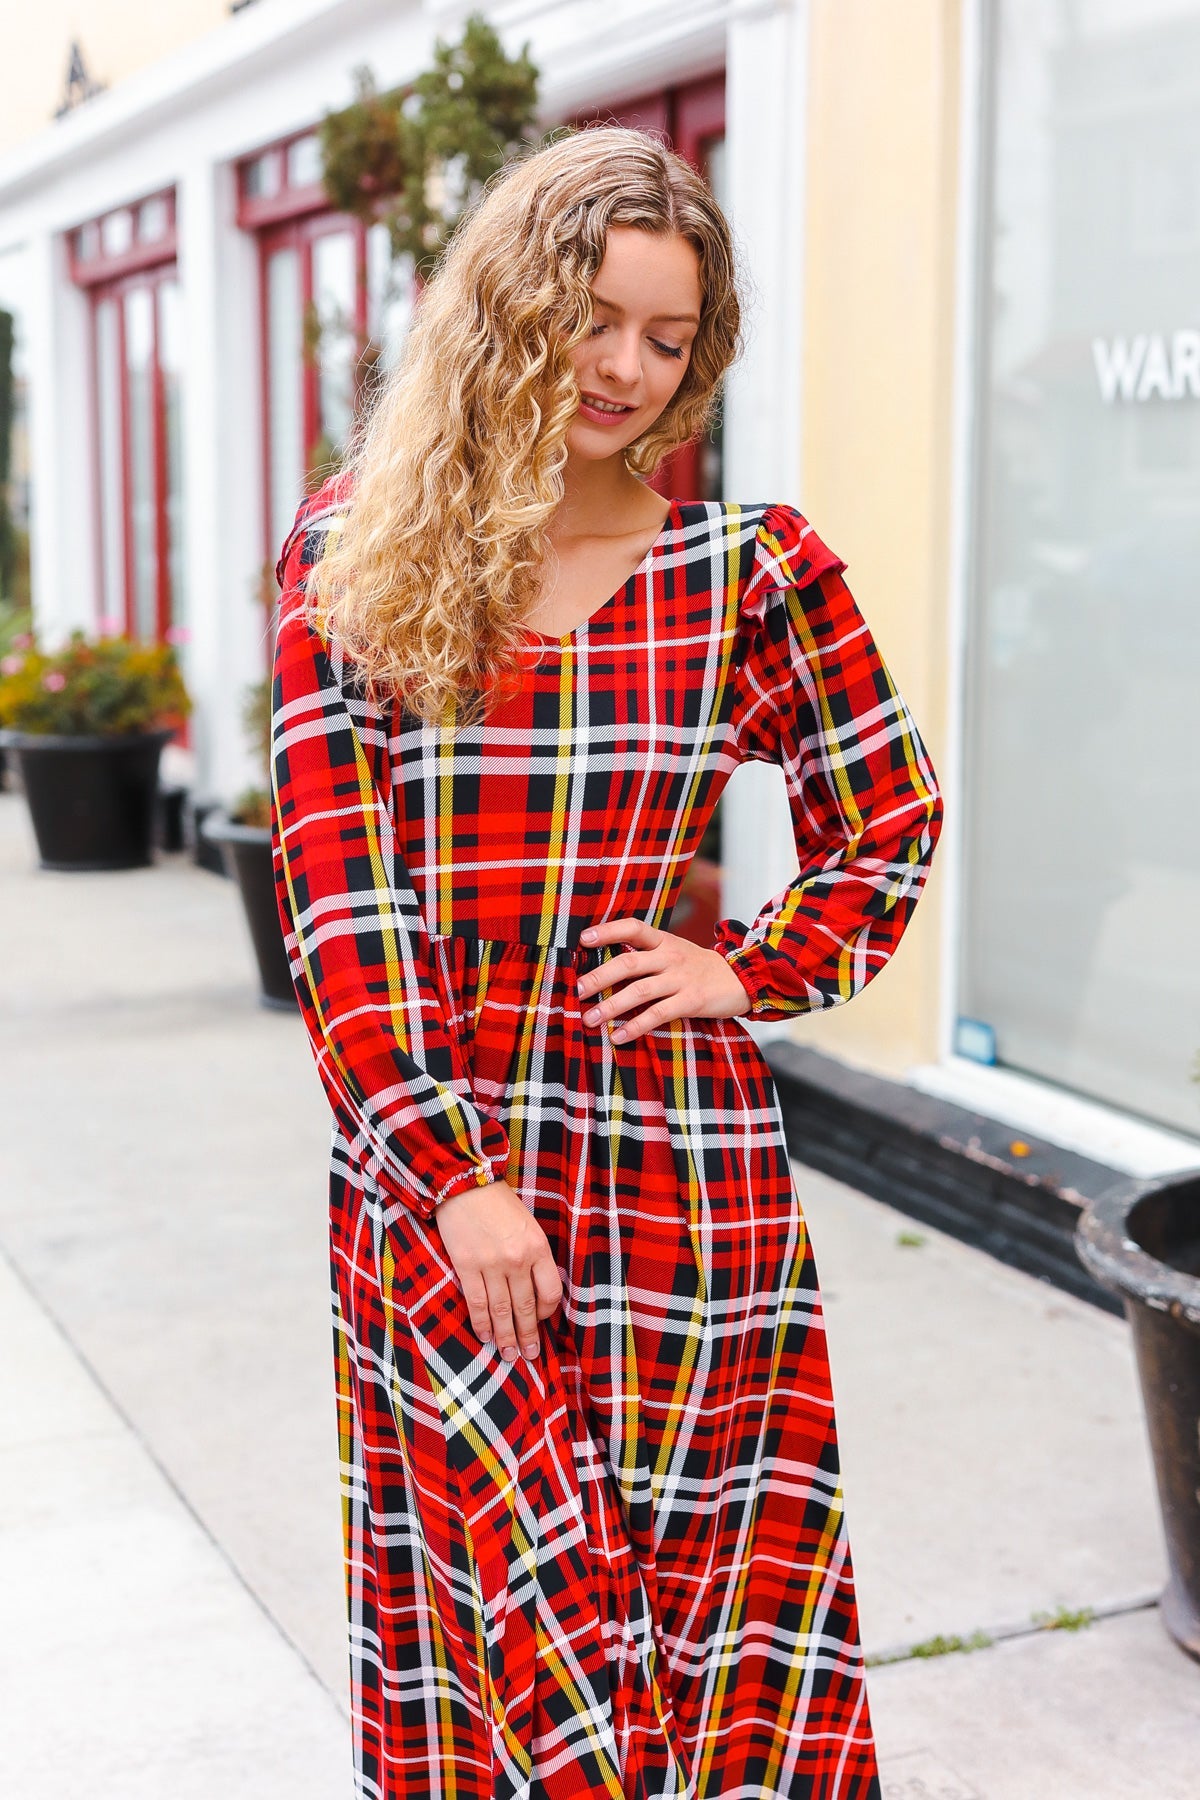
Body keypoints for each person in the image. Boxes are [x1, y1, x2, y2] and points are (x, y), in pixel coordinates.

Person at [270, 124, 943, 1800]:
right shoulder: (357, 558)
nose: (630, 369)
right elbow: (339, 916)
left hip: (676, 1159)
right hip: (441, 1164)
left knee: (706, 1582)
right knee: (494, 1591)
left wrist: (748, 968)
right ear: (513, 308)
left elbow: (890, 820)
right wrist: (450, 1179)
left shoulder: (748, 572)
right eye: (600, 320)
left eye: (670, 336)